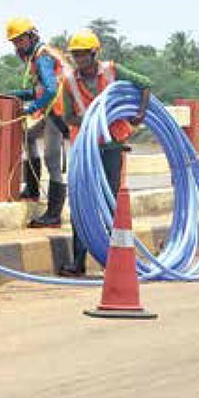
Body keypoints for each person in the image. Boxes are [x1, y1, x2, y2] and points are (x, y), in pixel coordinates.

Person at [58, 29, 151, 277]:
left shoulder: (111, 70)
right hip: (85, 148)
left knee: (111, 202)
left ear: (93, 53)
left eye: (82, 55)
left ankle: (116, 260)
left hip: (111, 147)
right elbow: (67, 116)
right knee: (82, 204)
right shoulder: (68, 81)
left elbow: (145, 85)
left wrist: (139, 113)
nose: (78, 60)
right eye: (75, 55)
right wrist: (92, 120)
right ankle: (78, 262)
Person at [4, 17, 70, 228]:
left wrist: (30, 107)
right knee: (29, 136)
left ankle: (53, 214)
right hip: (54, 109)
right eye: (14, 42)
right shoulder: (38, 56)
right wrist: (13, 95)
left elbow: (50, 91)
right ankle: (32, 190)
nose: (17, 46)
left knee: (52, 160)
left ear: (31, 36)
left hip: (59, 113)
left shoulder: (42, 57)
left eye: (20, 40)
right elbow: (39, 91)